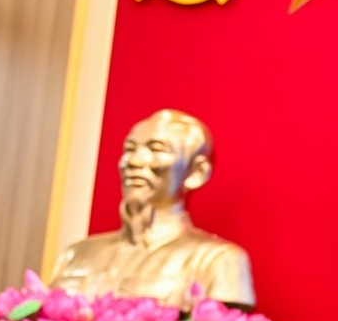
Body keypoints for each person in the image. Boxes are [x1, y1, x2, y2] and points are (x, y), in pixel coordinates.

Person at [48, 109, 255, 310]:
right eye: (130, 149)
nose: (134, 161)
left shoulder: (218, 261)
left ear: (196, 173)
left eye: (156, 149)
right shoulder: (76, 254)